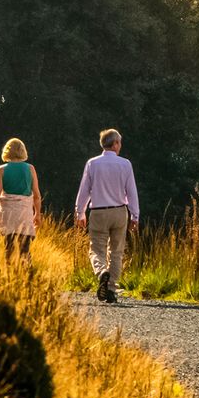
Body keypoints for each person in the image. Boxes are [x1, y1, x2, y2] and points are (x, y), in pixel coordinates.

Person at [74, 128, 140, 303]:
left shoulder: (92, 163)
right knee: (117, 251)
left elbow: (84, 190)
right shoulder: (125, 164)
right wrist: (135, 216)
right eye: (120, 142)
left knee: (97, 249)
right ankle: (111, 289)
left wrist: (80, 212)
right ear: (115, 143)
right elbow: (131, 191)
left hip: (99, 212)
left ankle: (102, 271)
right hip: (119, 211)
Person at [0, 138, 41, 261]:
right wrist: (37, 214)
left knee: (9, 248)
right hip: (24, 215)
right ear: (23, 151)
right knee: (25, 250)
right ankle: (27, 271)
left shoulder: (2, 169)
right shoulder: (30, 168)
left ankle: (10, 271)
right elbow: (37, 196)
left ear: (7, 151)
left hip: (8, 216)